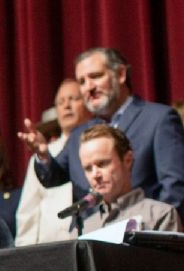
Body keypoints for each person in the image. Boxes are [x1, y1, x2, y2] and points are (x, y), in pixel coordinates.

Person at [18, 47, 184, 216]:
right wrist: (43, 156)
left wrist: (156, 232)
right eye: (81, 81)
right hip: (90, 235)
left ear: (120, 74)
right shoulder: (79, 135)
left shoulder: (158, 118)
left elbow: (175, 187)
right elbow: (53, 177)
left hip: (142, 233)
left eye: (96, 76)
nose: (88, 87)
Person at [16, 79, 93, 245]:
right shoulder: (44, 154)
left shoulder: (99, 147)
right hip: (50, 248)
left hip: (90, 238)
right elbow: (28, 210)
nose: (66, 106)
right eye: (61, 102)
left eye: (74, 99)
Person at [78, 125, 182, 233]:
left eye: (102, 163)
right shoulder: (82, 230)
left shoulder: (160, 215)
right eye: (88, 169)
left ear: (127, 160)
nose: (95, 175)